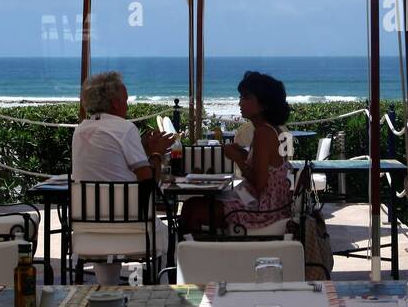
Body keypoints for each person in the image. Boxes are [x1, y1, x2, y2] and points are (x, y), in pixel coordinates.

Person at [71, 71, 175, 283]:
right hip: (133, 228)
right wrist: (156, 153)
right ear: (115, 103)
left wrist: (143, 151)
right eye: (125, 101)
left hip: (90, 227)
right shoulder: (124, 128)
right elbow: (148, 184)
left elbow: (112, 166)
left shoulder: (81, 130)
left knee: (109, 220)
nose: (127, 107)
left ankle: (106, 290)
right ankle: (163, 292)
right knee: (170, 232)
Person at [183, 71, 292, 237]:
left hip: (262, 211)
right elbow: (265, 167)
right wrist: (242, 153)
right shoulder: (271, 130)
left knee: (195, 210)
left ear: (263, 104)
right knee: (191, 205)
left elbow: (260, 183)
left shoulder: (263, 133)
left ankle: (196, 256)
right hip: (271, 206)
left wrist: (237, 159)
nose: (240, 103)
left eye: (246, 98)